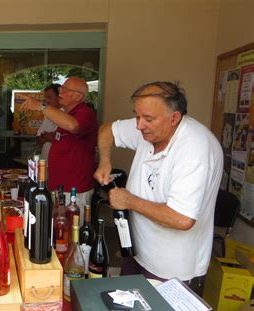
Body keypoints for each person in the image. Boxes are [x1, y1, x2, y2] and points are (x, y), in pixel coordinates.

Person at [94, 81, 223, 292]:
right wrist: (105, 160)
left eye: (148, 119)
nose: (138, 126)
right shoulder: (149, 130)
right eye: (137, 116)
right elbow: (107, 130)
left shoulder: (194, 151)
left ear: (174, 118)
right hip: (136, 251)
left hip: (171, 268)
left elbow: (182, 219)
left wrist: (129, 200)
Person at [20, 77, 98, 222]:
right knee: (59, 234)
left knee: (71, 237)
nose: (61, 92)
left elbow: (74, 126)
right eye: (61, 88)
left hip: (74, 191)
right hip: (59, 188)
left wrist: (41, 106)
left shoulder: (85, 113)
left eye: (66, 89)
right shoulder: (66, 115)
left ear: (79, 96)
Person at [36, 83, 61, 161]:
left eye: (49, 97)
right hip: (45, 161)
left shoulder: (66, 115)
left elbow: (62, 139)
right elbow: (38, 138)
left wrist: (51, 137)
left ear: (59, 97)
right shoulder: (48, 115)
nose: (46, 100)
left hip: (59, 161)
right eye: (45, 97)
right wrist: (48, 137)